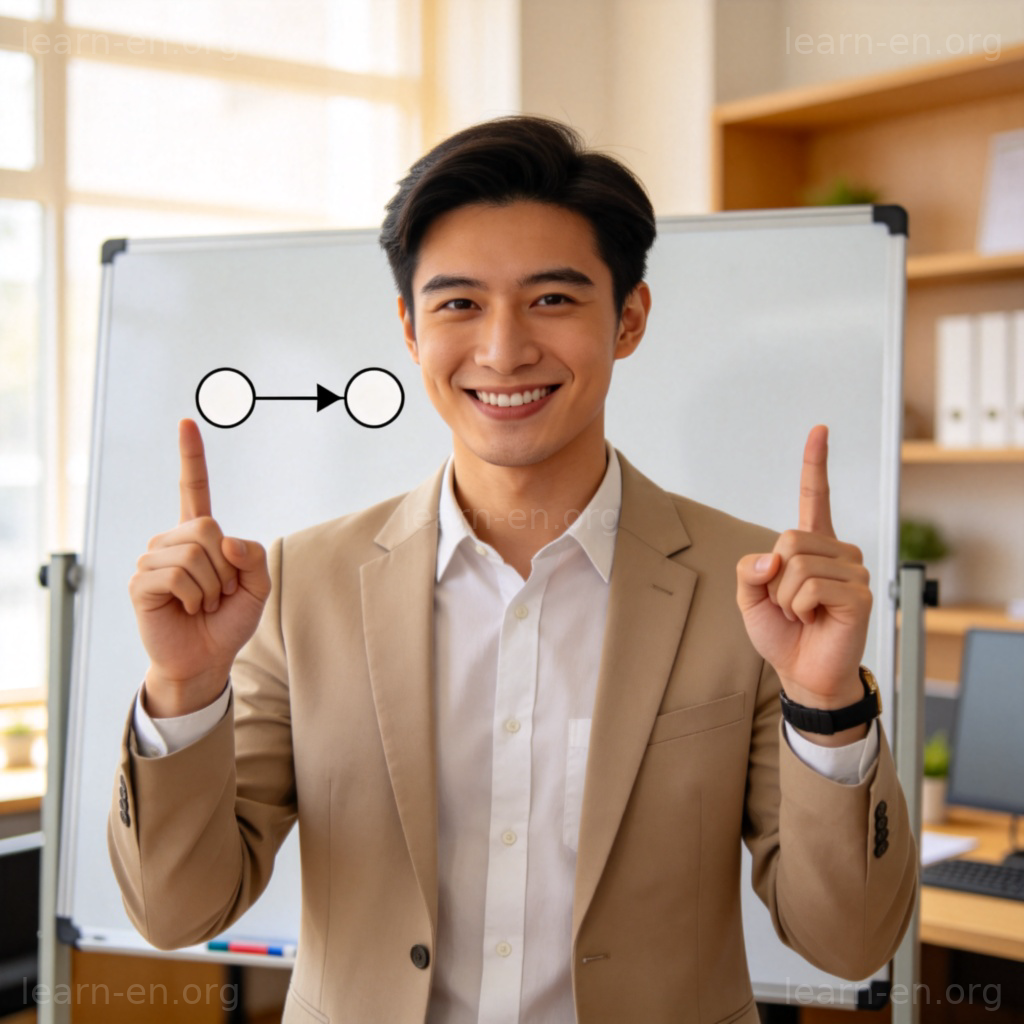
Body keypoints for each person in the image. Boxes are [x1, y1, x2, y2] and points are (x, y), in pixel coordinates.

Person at [109, 117, 916, 1024]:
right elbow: (179, 911)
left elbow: (849, 942)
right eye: (458, 304)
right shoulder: (305, 584)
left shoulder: (754, 592)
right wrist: (182, 685)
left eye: (552, 300)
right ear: (410, 331)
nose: (502, 350)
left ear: (630, 320)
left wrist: (828, 705)